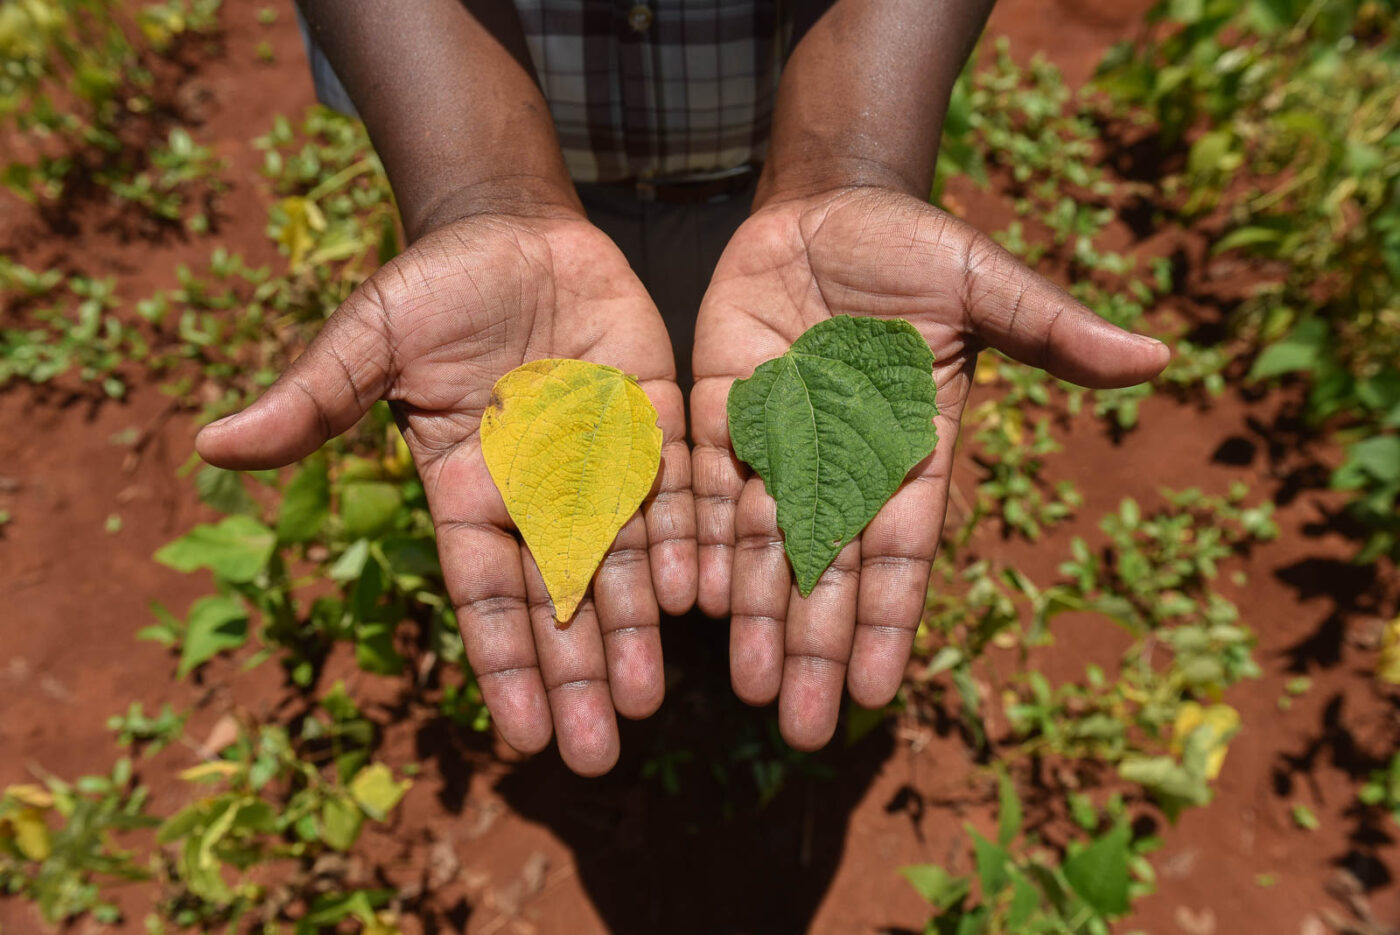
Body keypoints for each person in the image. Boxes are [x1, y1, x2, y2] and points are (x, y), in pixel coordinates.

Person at [196, 0, 1169, 777]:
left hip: (779, 129)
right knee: (661, 426)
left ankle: (707, 597)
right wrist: (475, 192)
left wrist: (850, 164)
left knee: (719, 426)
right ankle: (673, 588)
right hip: (465, 111)